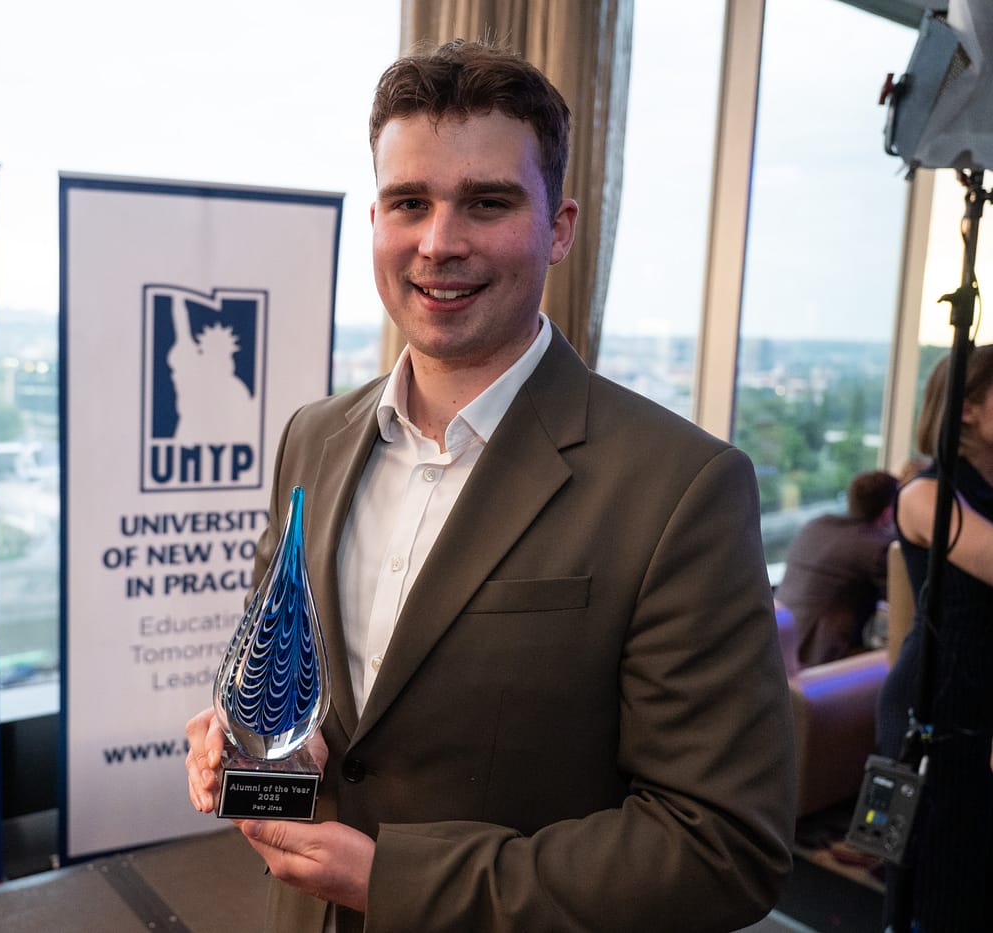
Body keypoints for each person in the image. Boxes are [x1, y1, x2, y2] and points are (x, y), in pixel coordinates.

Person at [185, 40, 795, 933]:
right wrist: (249, 736)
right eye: (410, 202)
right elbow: (310, 680)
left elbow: (723, 846)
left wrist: (397, 877)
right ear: (378, 220)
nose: (439, 241)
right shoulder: (311, 438)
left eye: (487, 202)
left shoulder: (682, 489)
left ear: (560, 227)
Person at [876, 344, 993, 931]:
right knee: (932, 890)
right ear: (968, 409)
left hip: (979, 708)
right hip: (933, 709)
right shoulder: (927, 493)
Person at [774, 469, 898, 666]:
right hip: (821, 662)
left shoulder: (815, 526)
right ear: (887, 513)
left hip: (776, 649)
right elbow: (906, 603)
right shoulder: (877, 547)